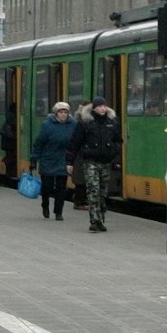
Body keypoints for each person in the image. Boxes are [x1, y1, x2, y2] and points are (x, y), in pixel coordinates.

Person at [66, 96, 122, 233]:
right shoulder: (85, 123)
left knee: (103, 193)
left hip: (105, 162)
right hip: (91, 161)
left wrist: (114, 151)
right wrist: (70, 161)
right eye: (99, 106)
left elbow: (118, 140)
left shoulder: (112, 122)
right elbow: (75, 143)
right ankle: (94, 221)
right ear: (94, 108)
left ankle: (100, 218)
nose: (102, 108)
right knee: (93, 191)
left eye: (104, 106)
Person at [30, 101, 77, 220]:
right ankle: (45, 204)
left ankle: (58, 212)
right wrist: (34, 159)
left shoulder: (73, 124)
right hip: (48, 159)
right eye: (60, 112)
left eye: (65, 112)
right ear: (56, 113)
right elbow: (39, 143)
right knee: (47, 187)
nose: (63, 114)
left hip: (63, 160)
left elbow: (77, 141)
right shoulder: (47, 125)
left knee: (61, 188)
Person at [71, 100, 90, 210]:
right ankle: (79, 201)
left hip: (84, 153)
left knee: (84, 178)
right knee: (80, 178)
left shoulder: (88, 121)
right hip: (79, 154)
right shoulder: (78, 121)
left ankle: (81, 199)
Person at [0, 102, 18, 178]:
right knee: (10, 157)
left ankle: (10, 173)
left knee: (9, 157)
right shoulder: (12, 117)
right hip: (10, 141)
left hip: (7, 142)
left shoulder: (9, 115)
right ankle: (10, 173)